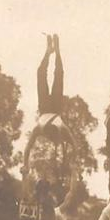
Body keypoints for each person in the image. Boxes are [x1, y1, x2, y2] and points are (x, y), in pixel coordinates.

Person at [23, 33, 75, 171]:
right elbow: (74, 145)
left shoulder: (40, 128)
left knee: (43, 73)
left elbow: (28, 149)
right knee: (57, 74)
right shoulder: (59, 128)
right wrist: (75, 163)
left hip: (45, 106)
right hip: (55, 107)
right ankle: (56, 51)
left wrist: (25, 164)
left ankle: (49, 52)